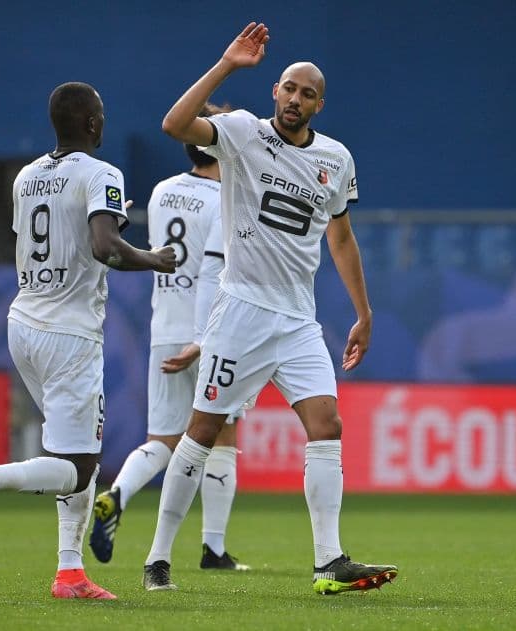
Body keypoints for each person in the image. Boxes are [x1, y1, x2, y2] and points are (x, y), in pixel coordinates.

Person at [143, 21, 397, 595]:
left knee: (326, 424)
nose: (294, 98)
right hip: (239, 312)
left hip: (297, 320)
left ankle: (329, 562)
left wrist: (364, 311)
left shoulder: (335, 159)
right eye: (288, 87)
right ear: (274, 91)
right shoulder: (240, 133)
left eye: (307, 92)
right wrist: (228, 63)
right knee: (203, 430)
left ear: (319, 104)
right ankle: (158, 555)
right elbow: (174, 124)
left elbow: (341, 238)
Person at [0, 81, 177, 600]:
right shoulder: (101, 172)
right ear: (93, 123)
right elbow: (105, 248)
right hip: (69, 333)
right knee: (78, 468)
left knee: (75, 451)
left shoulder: (27, 177)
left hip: (24, 320)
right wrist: (153, 259)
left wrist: (107, 222)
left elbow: (49, 235)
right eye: (102, 115)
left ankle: (70, 572)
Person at [89, 104, 250, 572]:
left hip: (165, 327)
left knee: (162, 439)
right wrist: (206, 336)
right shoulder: (226, 197)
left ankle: (117, 493)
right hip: (210, 331)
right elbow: (213, 274)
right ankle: (213, 549)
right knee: (221, 434)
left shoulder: (162, 192)